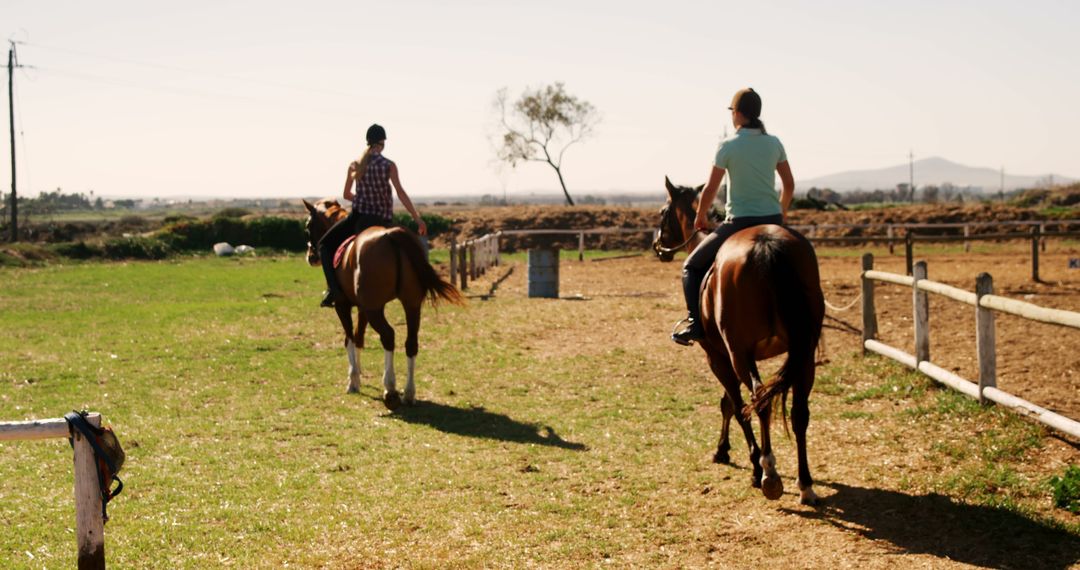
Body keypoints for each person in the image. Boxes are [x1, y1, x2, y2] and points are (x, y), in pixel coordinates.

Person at [671, 88, 795, 345]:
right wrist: (780, 213)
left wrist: (700, 216)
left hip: (739, 222)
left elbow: (710, 189)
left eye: (732, 112)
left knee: (691, 267)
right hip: (772, 219)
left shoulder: (727, 146)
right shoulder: (774, 143)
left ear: (737, 113)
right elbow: (789, 185)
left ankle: (695, 324)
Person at [318, 123, 428, 307]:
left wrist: (362, 199)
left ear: (367, 141)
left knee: (324, 245)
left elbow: (346, 195)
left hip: (359, 218)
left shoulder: (355, 165)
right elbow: (400, 193)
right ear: (382, 143)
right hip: (384, 221)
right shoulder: (389, 165)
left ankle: (333, 291)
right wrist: (417, 218)